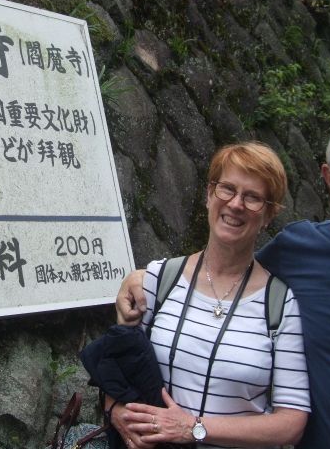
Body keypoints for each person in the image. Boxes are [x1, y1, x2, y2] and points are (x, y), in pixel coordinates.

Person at [116, 108, 330, 448]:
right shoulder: (300, 249)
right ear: (328, 178)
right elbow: (228, 270)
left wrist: (194, 427)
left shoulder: (284, 296)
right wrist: (141, 278)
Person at [107, 141, 310, 449]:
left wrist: (195, 428)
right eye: (226, 188)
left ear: (269, 215)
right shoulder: (158, 280)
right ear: (208, 194)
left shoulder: (280, 304)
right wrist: (115, 410)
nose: (236, 204)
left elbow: (291, 422)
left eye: (253, 197)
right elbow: (117, 367)